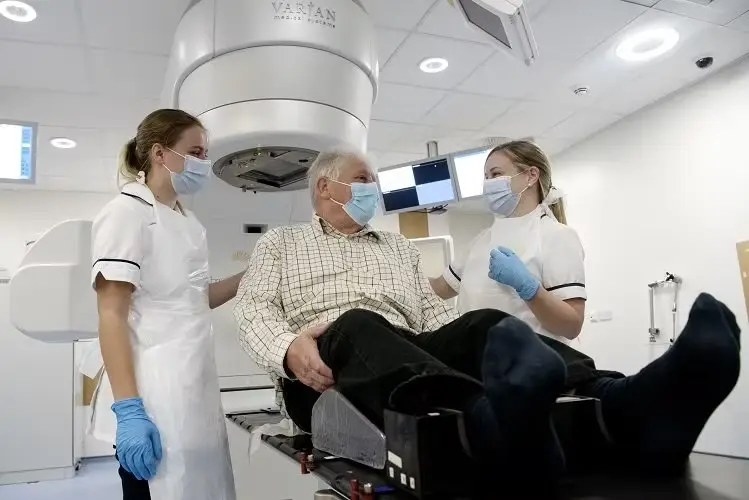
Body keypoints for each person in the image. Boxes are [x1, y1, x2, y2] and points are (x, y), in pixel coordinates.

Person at [234, 149, 741, 490]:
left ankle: (624, 404)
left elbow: (433, 316)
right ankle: (478, 420)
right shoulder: (280, 243)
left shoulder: (398, 248)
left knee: (478, 324)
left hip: (390, 355)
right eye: (365, 180)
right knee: (360, 322)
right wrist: (286, 348)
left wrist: (462, 339)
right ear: (327, 187)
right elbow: (252, 308)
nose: (374, 190)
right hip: (318, 373)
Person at [89, 109, 240, 500]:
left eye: (205, 154)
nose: (203, 164)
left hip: (195, 385)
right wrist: (129, 411)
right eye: (195, 152)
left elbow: (194, 300)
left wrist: (249, 276)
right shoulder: (127, 213)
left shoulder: (189, 222)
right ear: (160, 153)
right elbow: (111, 313)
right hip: (153, 391)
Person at [430, 140, 585, 343]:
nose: (488, 183)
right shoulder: (480, 241)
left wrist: (529, 288)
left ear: (531, 175)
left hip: (531, 367)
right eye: (486, 177)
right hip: (478, 366)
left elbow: (571, 325)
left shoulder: (557, 236)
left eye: (495, 174)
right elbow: (439, 288)